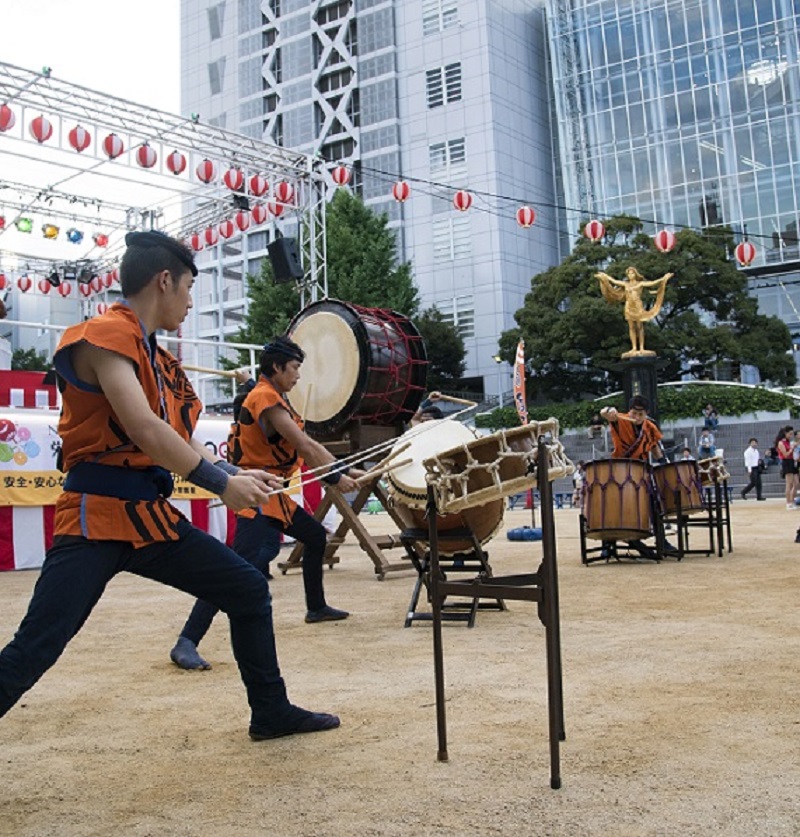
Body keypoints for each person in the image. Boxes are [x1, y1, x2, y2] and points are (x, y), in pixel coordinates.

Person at [0, 230, 339, 741]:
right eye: (187, 290)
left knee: (247, 589)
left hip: (149, 516)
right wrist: (219, 485)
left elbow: (177, 441)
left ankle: (270, 712)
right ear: (164, 281)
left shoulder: (158, 359)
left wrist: (234, 474)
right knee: (39, 643)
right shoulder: (104, 336)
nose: (187, 303)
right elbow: (146, 429)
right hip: (96, 515)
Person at [171, 335, 366, 669]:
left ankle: (316, 607)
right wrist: (336, 477)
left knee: (316, 537)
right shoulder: (265, 398)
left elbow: (310, 445)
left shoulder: (273, 395)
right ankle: (186, 640)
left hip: (274, 496)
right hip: (256, 496)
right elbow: (303, 445)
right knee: (236, 569)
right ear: (276, 367)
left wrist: (344, 469)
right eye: (293, 368)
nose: (298, 376)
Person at [599, 395, 670, 559]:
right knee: (613, 506)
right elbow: (605, 413)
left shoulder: (650, 427)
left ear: (646, 414)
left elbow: (655, 448)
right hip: (619, 469)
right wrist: (608, 411)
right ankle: (607, 543)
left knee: (653, 504)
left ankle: (662, 541)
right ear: (629, 411)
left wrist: (663, 463)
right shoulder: (620, 419)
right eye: (634, 413)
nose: (637, 418)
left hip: (640, 470)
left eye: (641, 414)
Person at [775, 426, 796, 509]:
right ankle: (788, 502)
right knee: (788, 483)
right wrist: (792, 448)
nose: (791, 436)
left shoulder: (787, 442)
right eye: (790, 434)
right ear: (785, 433)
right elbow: (785, 454)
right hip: (786, 462)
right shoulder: (781, 443)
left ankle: (791, 501)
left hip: (791, 461)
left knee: (792, 483)